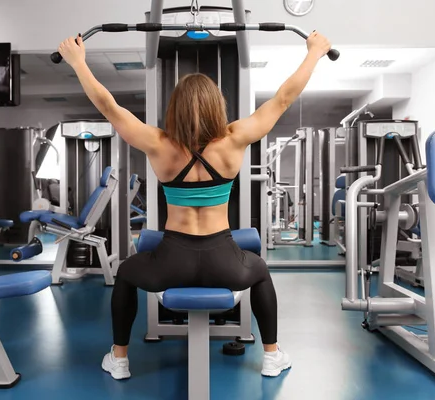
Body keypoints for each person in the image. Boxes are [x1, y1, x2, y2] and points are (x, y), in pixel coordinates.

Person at [58, 30, 332, 380]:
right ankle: (272, 356)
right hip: (224, 259)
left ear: (175, 107)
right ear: (218, 105)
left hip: (172, 260)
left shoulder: (159, 144)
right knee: (260, 270)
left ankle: (120, 359)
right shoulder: (235, 139)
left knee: (125, 273)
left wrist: (78, 62)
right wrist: (314, 53)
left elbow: (109, 107)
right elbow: (282, 99)